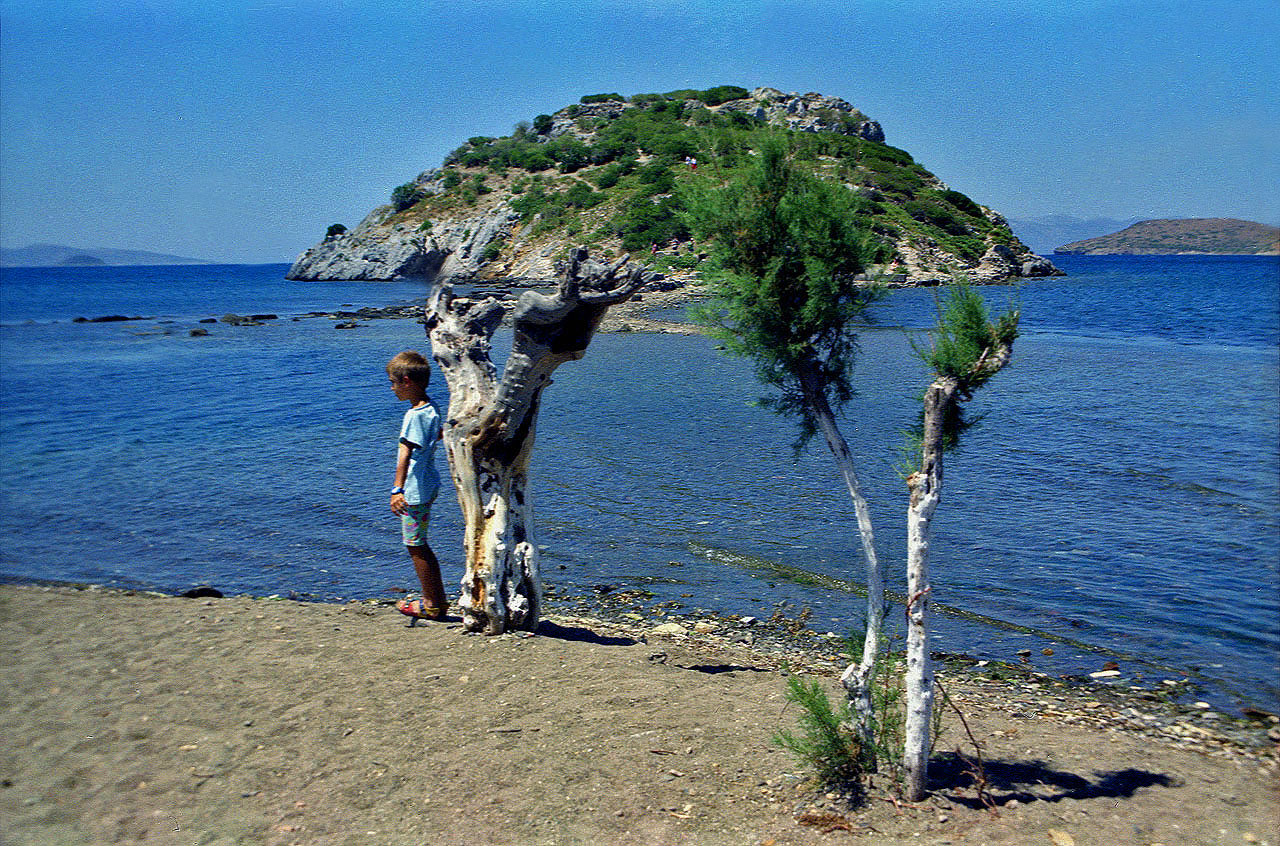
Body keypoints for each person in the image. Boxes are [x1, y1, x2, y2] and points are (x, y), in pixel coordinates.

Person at [385, 350, 448, 623]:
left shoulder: (413, 415)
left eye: (393, 382)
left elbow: (405, 454)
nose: (392, 388)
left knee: (415, 545)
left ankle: (432, 604)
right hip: (429, 482)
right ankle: (436, 600)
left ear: (407, 381)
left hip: (414, 490)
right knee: (419, 544)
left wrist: (397, 489)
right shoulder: (431, 408)